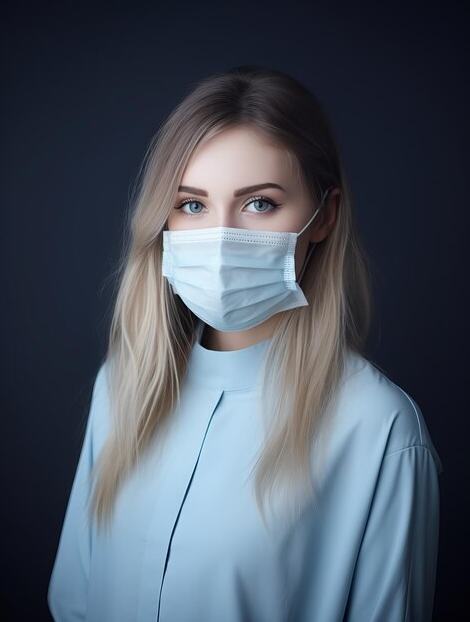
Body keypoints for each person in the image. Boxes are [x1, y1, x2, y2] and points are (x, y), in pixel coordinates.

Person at [47, 65, 443, 622]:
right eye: (192, 204)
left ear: (323, 216)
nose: (220, 235)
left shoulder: (379, 430)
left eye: (259, 203)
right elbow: (74, 602)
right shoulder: (122, 386)